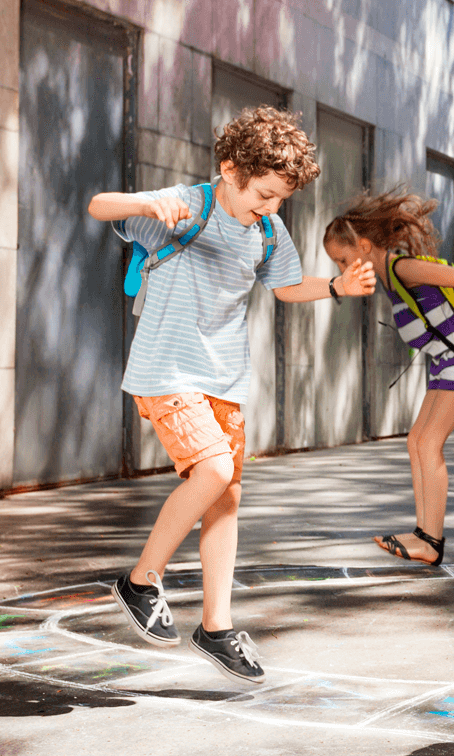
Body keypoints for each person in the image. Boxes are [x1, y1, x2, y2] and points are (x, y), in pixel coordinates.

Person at [87, 106, 376, 684]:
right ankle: (141, 580)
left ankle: (215, 626)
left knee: (225, 497)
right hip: (167, 370)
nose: (271, 208)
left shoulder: (266, 230)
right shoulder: (186, 207)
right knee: (214, 470)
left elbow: (288, 287)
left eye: (280, 200)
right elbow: (99, 206)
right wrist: (147, 203)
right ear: (230, 169)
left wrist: (337, 287)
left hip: (224, 378)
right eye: (264, 194)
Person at [323, 190, 454, 567]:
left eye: (343, 259)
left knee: (429, 442)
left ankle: (430, 541)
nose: (342, 269)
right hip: (445, 363)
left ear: (365, 246)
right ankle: (422, 533)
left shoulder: (402, 268)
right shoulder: (388, 276)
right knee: (417, 440)